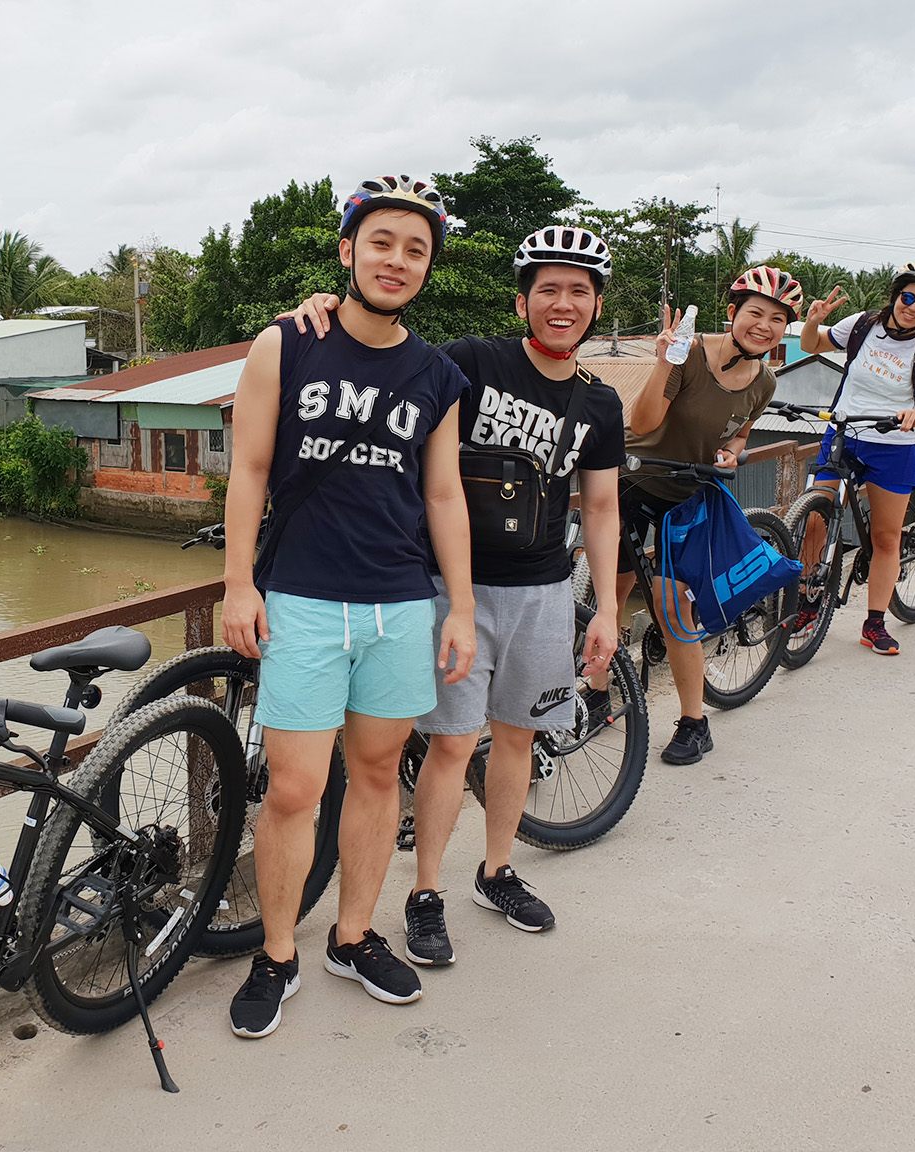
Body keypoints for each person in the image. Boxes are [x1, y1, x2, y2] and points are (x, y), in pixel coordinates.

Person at [281, 225, 626, 966]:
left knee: (518, 737)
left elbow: (599, 507)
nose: (561, 305)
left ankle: (496, 870)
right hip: (449, 587)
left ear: (597, 306)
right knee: (450, 743)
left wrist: (605, 606)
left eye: (578, 292)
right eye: (548, 290)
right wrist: (320, 308)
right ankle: (425, 891)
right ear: (521, 300)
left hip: (543, 588)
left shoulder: (600, 404)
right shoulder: (473, 363)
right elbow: (383, 351)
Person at [220, 174, 476, 1039]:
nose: (396, 261)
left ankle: (354, 935)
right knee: (294, 787)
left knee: (375, 775)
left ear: (428, 266)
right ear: (347, 251)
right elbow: (248, 469)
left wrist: (461, 607)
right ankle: (278, 951)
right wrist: (237, 583)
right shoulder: (286, 343)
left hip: (400, 602)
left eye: (415, 249)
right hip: (299, 596)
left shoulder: (436, 374)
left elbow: (443, 496)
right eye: (381, 243)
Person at [599, 265, 803, 766]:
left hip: (688, 493)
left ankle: (694, 721)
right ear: (732, 313)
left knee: (673, 608)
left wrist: (733, 452)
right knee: (610, 591)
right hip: (632, 478)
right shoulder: (688, 353)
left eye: (777, 319)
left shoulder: (764, 381)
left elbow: (738, 433)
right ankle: (598, 689)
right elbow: (644, 422)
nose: (764, 325)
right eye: (755, 312)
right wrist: (664, 363)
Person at [793, 260, 915, 656]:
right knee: (815, 517)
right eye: (908, 297)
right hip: (844, 433)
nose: (913, 307)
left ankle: (875, 622)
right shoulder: (863, 325)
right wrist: (812, 321)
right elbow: (813, 345)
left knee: (885, 537)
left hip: (894, 444)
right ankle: (808, 603)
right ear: (896, 295)